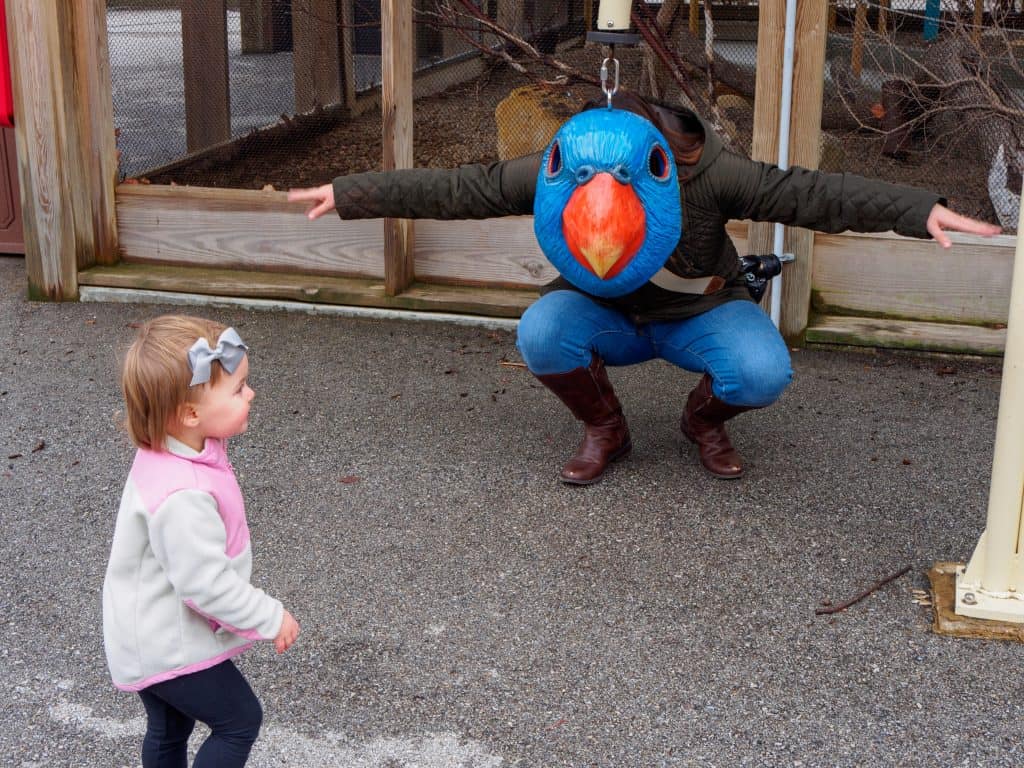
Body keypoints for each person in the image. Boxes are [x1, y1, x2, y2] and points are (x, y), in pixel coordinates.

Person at [287, 89, 1000, 485]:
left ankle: (702, 420)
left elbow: (810, 194)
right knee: (540, 334)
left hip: (699, 310)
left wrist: (917, 211)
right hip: (607, 314)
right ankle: (608, 428)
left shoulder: (708, 173)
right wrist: (350, 192)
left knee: (761, 370)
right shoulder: (557, 168)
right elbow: (460, 187)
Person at [102, 315, 300, 768]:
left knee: (171, 726)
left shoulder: (173, 446)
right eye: (238, 388)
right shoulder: (183, 496)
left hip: (144, 631)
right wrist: (270, 616)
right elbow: (205, 584)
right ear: (190, 414)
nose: (251, 394)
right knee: (239, 720)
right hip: (164, 642)